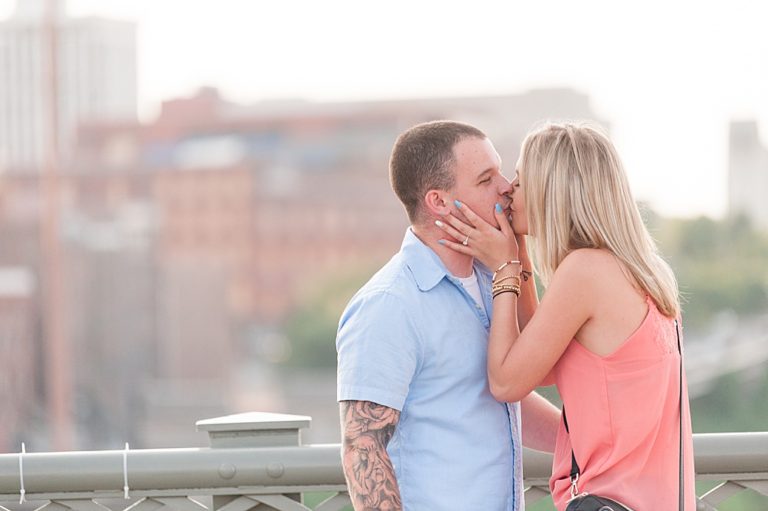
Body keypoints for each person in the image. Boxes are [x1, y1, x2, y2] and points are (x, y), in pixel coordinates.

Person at [435, 121, 696, 510]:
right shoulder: (645, 272)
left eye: (521, 180)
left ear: (551, 190)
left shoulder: (585, 271)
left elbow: (506, 382)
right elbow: (539, 367)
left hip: (607, 502)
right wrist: (519, 254)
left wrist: (505, 270)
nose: (508, 190)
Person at [336, 120, 561, 511]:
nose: (506, 187)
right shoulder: (390, 303)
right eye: (486, 179)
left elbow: (499, 400)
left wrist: (597, 441)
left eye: (501, 172)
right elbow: (363, 445)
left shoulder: (494, 279)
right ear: (438, 202)